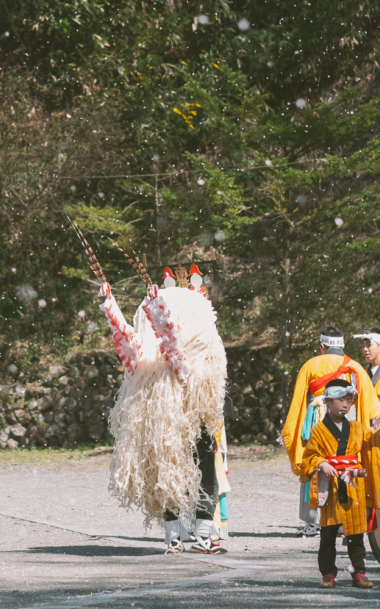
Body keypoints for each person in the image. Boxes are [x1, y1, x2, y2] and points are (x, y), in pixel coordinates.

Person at [71, 223, 227, 554]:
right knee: (197, 460)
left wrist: (113, 307)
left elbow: (137, 351)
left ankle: (176, 533)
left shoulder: (180, 322)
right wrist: (117, 308)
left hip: (169, 396)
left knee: (166, 462)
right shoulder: (192, 317)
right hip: (185, 396)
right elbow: (164, 350)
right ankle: (198, 532)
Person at [281, 326, 380, 537]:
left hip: (316, 420)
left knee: (314, 461)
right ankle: (342, 518)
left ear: (322, 346)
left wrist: (293, 429)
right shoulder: (355, 367)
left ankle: (312, 521)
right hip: (346, 417)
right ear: (343, 346)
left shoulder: (310, 365)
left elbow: (297, 403)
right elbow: (372, 406)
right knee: (343, 462)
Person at [301, 378, 380, 589]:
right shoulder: (318, 431)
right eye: (340, 400)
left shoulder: (358, 428)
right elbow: (309, 456)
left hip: (352, 486)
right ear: (328, 402)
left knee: (356, 533)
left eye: (349, 399)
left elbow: (376, 444)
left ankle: (359, 572)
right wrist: (321, 463)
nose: (345, 404)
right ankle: (328, 573)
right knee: (328, 533)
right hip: (331, 487)